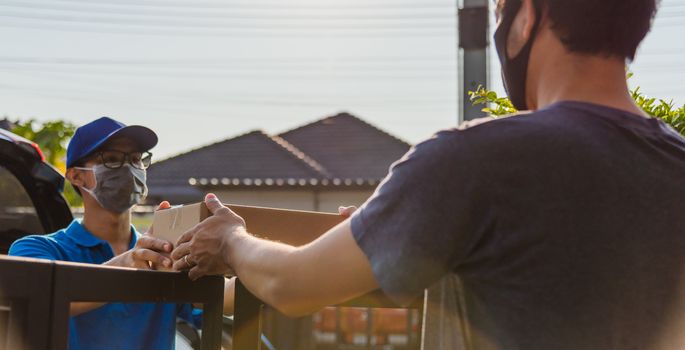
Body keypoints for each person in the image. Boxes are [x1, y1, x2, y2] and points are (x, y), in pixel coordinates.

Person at [172, 0, 685, 349]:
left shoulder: (473, 159)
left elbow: (293, 284)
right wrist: (393, 240)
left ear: (528, 17)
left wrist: (231, 239)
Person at [9, 117, 232, 350]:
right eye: (112, 159)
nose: (128, 169)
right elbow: (41, 301)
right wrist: (129, 263)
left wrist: (234, 247)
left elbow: (224, 298)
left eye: (136, 160)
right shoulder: (36, 249)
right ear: (76, 176)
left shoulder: (162, 254)